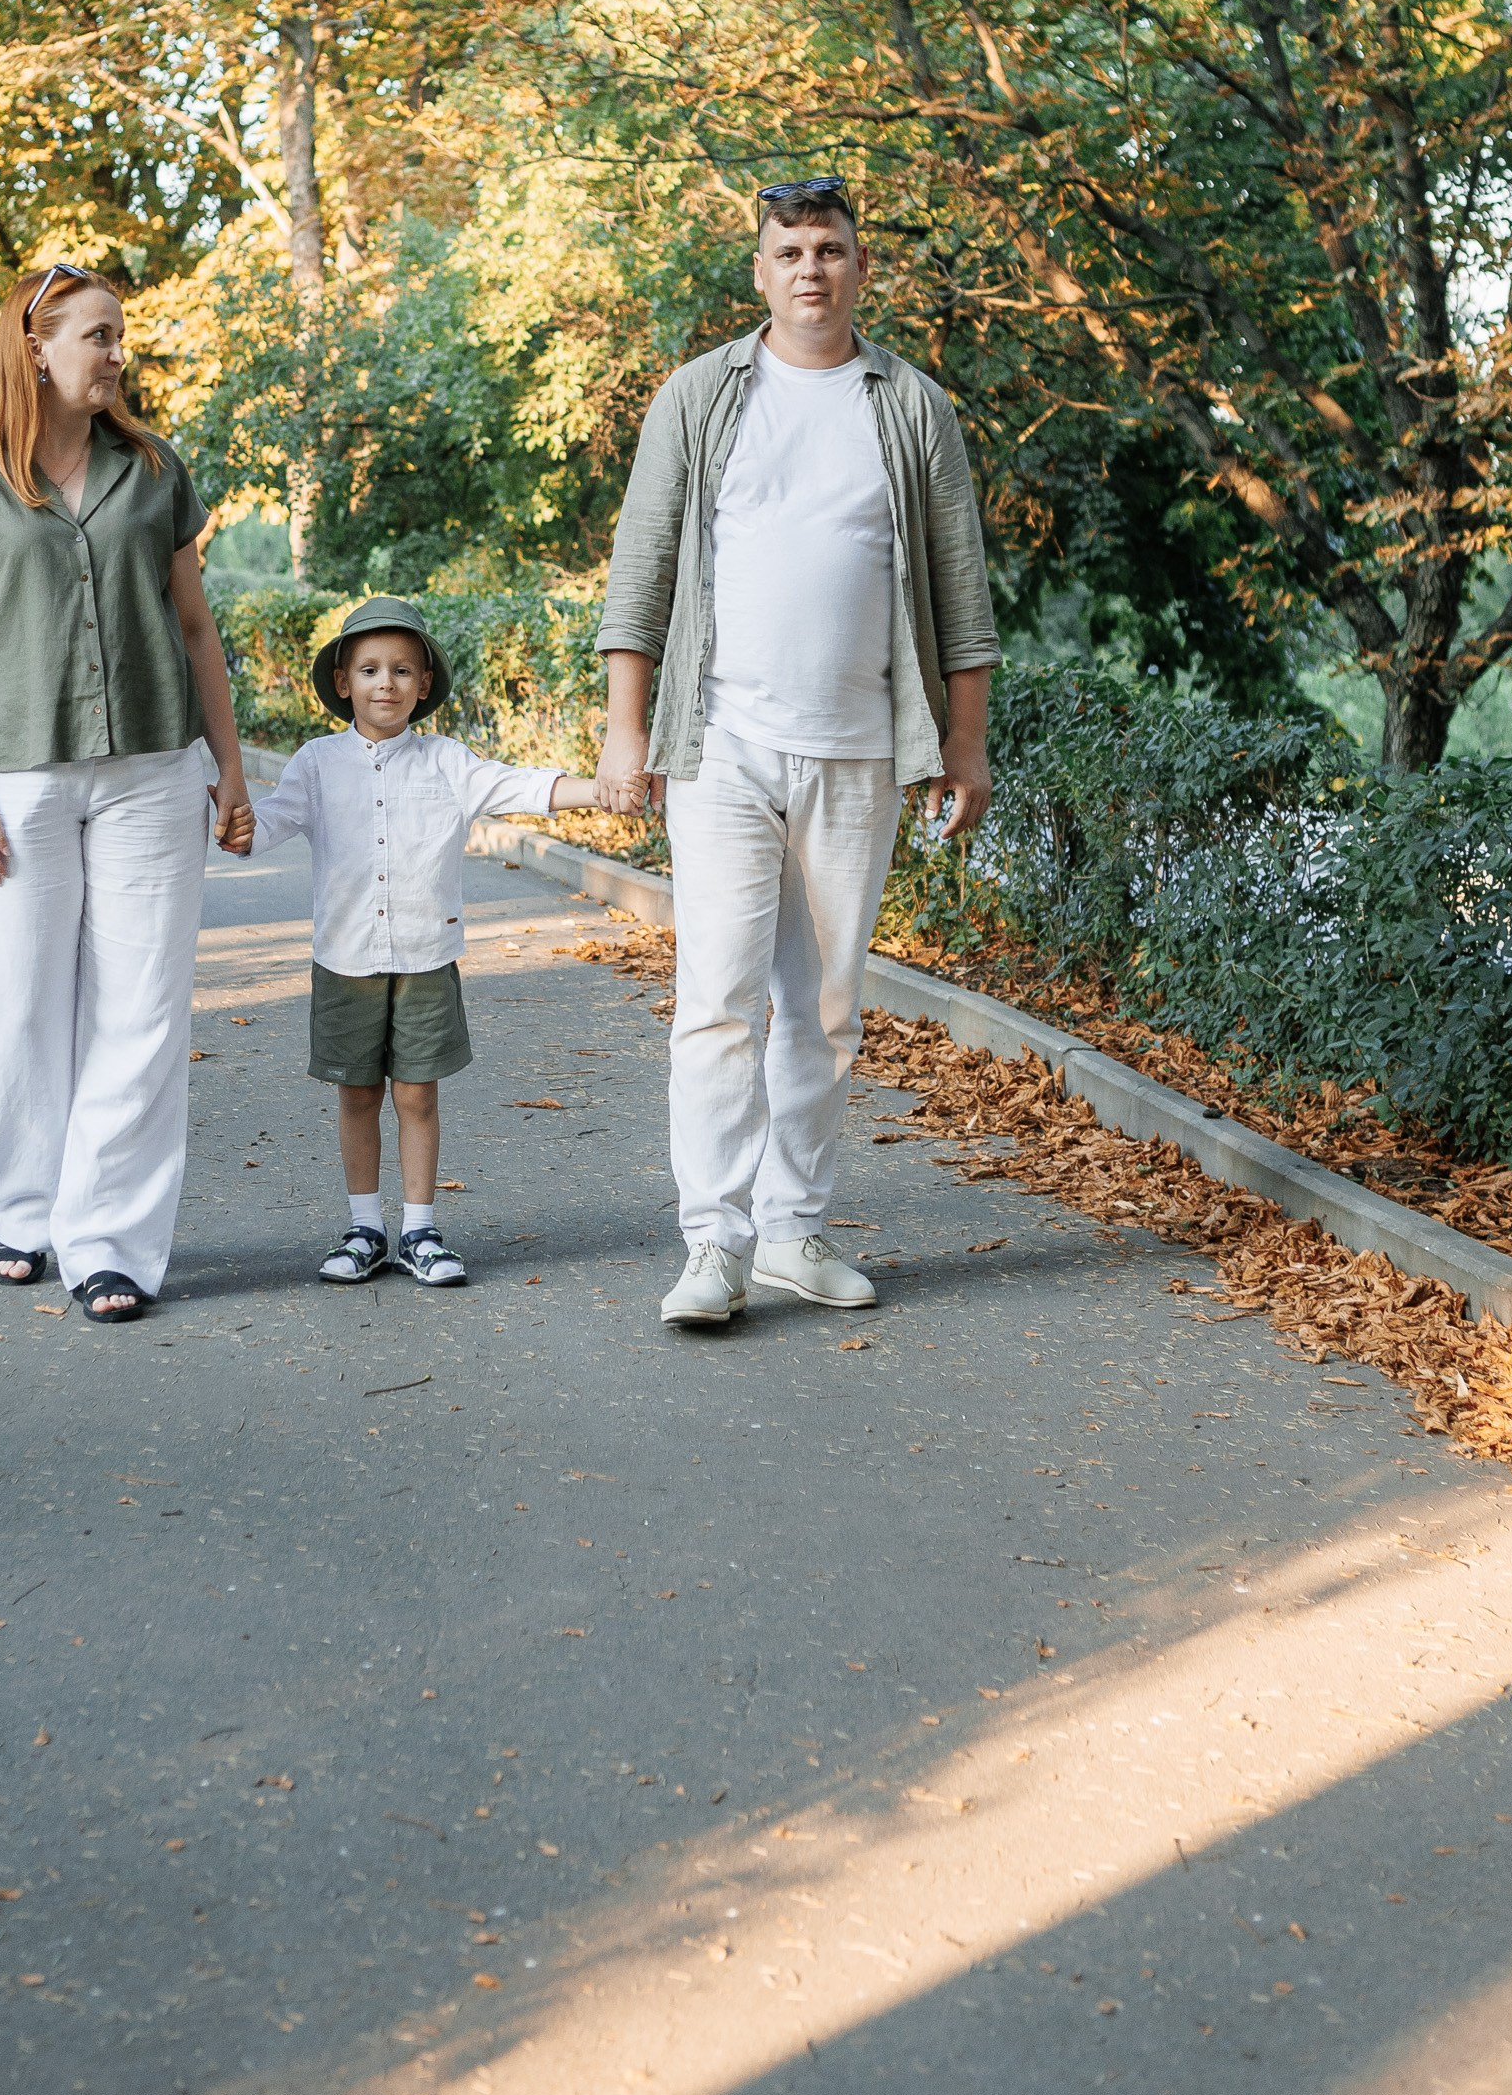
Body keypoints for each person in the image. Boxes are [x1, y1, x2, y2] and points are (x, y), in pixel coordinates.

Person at [594, 177, 999, 1329]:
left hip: (859, 754)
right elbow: (643, 571)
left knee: (822, 1007)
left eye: (830, 249)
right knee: (714, 1003)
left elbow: (959, 597)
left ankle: (792, 1234)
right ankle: (710, 1246)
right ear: (759, 272)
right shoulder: (700, 396)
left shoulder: (912, 408)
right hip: (720, 746)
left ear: (859, 270)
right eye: (790, 251)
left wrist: (962, 746)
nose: (810, 268)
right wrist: (628, 729)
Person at [0, 263, 255, 1328]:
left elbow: (196, 629)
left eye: (118, 335)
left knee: (139, 1011)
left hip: (153, 770)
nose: (116, 354)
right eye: (98, 335)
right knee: (10, 1007)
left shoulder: (151, 469)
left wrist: (229, 766)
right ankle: (24, 1209)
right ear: (35, 346)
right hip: (17, 775)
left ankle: (111, 1244)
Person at [250, 597, 604, 1287]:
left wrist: (603, 788)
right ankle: (364, 1228)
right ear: (344, 681)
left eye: (404, 669)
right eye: (372, 669)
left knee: (416, 1094)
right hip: (345, 960)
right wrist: (223, 813)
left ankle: (418, 1229)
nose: (388, 682)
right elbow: (267, 825)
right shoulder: (317, 764)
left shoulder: (446, 762)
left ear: (424, 683)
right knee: (356, 1094)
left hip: (424, 958)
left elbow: (522, 785)